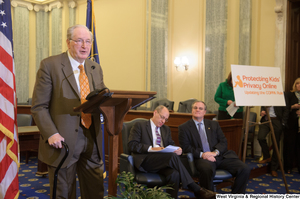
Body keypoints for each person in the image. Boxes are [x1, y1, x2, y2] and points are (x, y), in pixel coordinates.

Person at [31, 24, 106, 199]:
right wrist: (51, 134)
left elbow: (101, 100)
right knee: (63, 193)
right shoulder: (50, 65)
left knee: (95, 191)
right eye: (79, 41)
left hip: (92, 139)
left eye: (88, 41)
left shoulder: (95, 68)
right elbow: (39, 106)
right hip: (62, 140)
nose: (84, 46)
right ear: (68, 42)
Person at [128, 105, 216, 199]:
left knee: (174, 174)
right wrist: (152, 148)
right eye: (162, 117)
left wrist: (178, 150)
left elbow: (171, 145)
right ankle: (196, 188)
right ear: (155, 113)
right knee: (171, 157)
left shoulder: (166, 129)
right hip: (146, 161)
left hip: (163, 162)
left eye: (166, 119)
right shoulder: (140, 125)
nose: (163, 121)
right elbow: (132, 145)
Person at [178, 100, 251, 193]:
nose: (197, 110)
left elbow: (223, 141)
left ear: (204, 112)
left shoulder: (213, 124)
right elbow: (186, 147)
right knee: (206, 170)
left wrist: (214, 153)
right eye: (195, 108)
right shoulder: (184, 127)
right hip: (202, 159)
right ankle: (209, 195)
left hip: (220, 156)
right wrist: (203, 155)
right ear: (191, 110)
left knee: (244, 169)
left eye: (200, 108)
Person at [257, 105, 288, 177]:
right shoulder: (265, 95)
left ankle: (273, 168)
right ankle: (267, 156)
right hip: (265, 119)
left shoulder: (280, 96)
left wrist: (283, 122)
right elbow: (262, 105)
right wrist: (262, 111)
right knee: (260, 137)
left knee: (276, 144)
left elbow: (286, 109)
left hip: (277, 120)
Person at [284, 77, 300, 174]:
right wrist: (293, 107)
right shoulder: (289, 94)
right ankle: (288, 167)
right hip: (291, 124)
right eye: (297, 83)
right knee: (289, 146)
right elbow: (284, 108)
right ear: (295, 85)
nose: (299, 85)